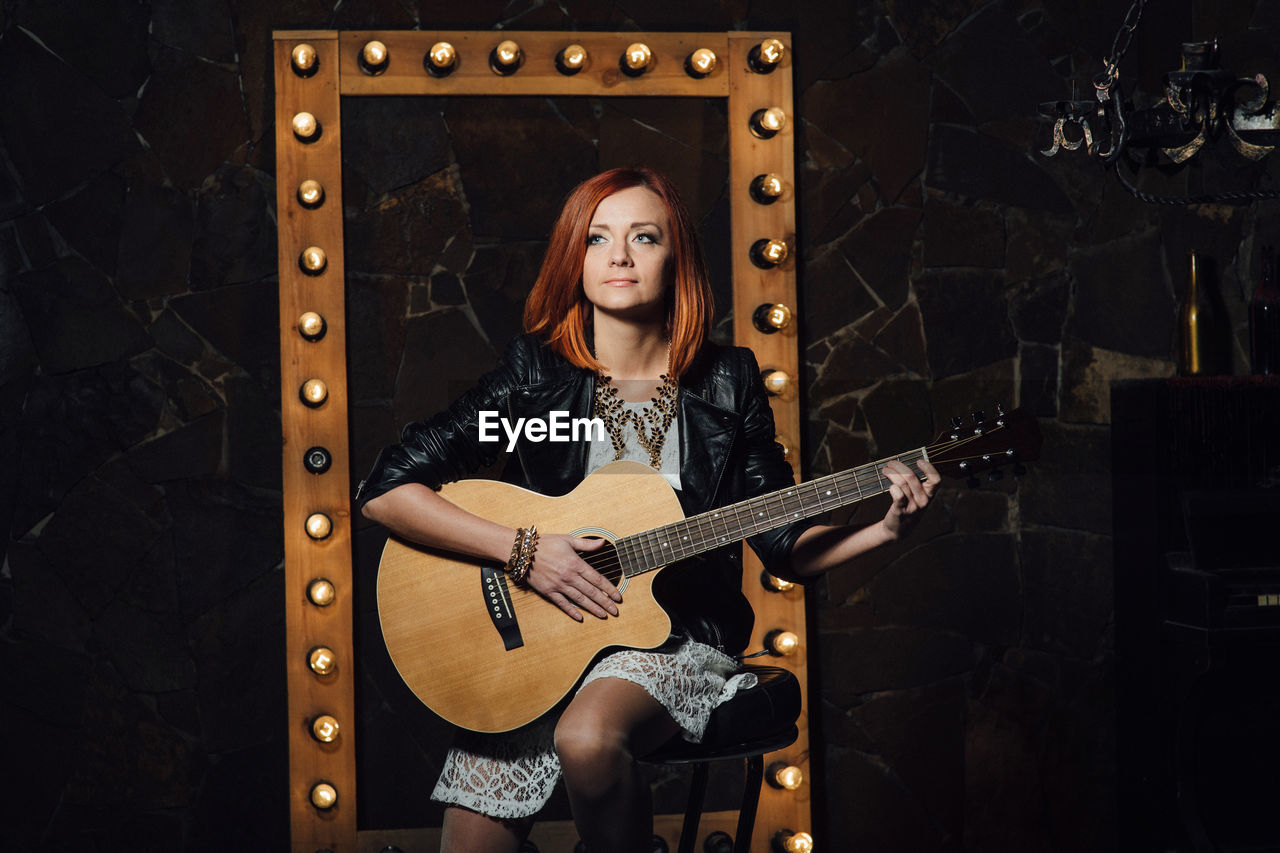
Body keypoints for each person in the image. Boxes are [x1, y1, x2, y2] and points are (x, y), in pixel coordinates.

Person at [357, 166, 940, 853]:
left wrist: (883, 527)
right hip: (542, 639)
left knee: (586, 733)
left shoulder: (728, 382)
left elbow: (784, 540)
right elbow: (386, 492)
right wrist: (522, 549)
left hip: (673, 637)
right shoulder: (532, 377)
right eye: (598, 238)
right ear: (575, 258)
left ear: (677, 257)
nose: (620, 256)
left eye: (644, 236)